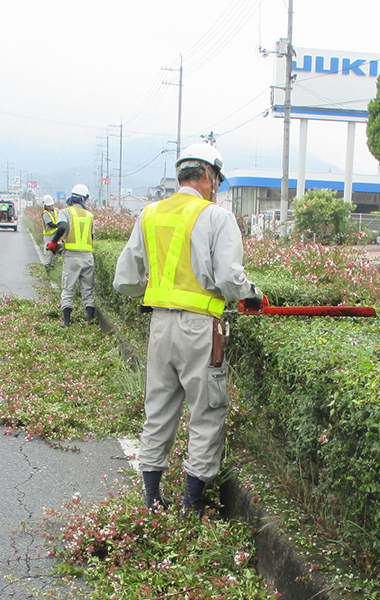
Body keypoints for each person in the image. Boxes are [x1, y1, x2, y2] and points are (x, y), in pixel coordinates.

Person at [113, 143, 261, 514]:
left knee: (158, 409)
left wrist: (155, 291)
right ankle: (190, 505)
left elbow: (125, 280)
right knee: (207, 411)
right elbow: (230, 279)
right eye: (217, 181)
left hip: (160, 326)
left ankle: (151, 499)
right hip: (201, 331)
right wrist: (252, 294)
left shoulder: (149, 214)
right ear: (209, 177)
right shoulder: (216, 217)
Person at [47, 184, 95, 328]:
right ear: (84, 199)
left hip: (72, 258)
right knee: (88, 290)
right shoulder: (89, 215)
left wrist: (54, 242)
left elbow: (61, 227)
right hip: (88, 257)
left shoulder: (65, 212)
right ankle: (89, 322)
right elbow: (90, 237)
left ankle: (66, 323)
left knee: (68, 289)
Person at [41, 195, 59, 272]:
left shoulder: (57, 211)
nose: (51, 206)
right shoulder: (45, 214)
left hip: (57, 233)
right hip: (49, 235)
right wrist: (60, 226)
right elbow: (50, 224)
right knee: (49, 251)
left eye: (52, 205)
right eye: (49, 206)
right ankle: (47, 266)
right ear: (45, 206)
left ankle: (53, 265)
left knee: (56, 250)